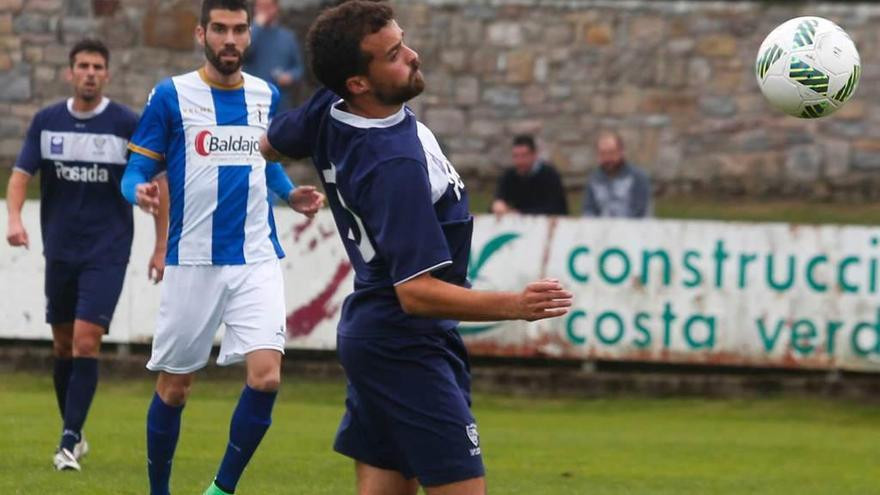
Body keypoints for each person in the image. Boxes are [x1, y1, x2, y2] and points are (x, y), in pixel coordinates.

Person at [261, 2, 573, 494]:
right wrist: (514, 305)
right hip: (405, 343)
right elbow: (417, 292)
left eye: (402, 41)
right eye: (393, 54)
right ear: (359, 84)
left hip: (376, 334)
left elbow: (272, 142)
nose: (413, 54)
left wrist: (282, 178)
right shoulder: (393, 168)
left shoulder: (329, 106)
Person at [119, 1, 324, 494]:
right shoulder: (171, 96)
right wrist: (138, 192)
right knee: (175, 388)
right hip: (192, 261)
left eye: (238, 30)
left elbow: (265, 158)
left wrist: (288, 193)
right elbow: (135, 171)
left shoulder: (266, 95)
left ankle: (220, 490)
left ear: (249, 36)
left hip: (256, 257)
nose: (229, 39)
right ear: (201, 34)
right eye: (220, 29)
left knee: (267, 377)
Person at [5, 38, 167, 472]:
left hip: (107, 251)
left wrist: (160, 246)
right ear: (70, 73)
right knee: (62, 346)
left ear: (107, 74)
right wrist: (15, 219)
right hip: (60, 249)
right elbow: (21, 175)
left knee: (85, 340)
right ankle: (74, 429)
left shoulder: (125, 123)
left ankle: (68, 440)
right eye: (83, 65)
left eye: (98, 65)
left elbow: (158, 183)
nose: (90, 72)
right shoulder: (46, 121)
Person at [243, 0, 305, 110]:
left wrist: (290, 76)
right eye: (259, 7)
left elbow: (299, 68)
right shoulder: (247, 34)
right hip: (253, 104)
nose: (263, 11)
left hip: (281, 104)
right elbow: (244, 53)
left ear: (276, 8)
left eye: (267, 7)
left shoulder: (288, 37)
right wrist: (257, 26)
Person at [491, 134, 568, 216]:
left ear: (534, 155)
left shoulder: (549, 175)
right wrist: (498, 204)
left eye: (524, 156)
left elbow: (556, 208)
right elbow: (499, 198)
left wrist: (520, 213)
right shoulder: (509, 175)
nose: (519, 161)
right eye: (516, 156)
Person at [581, 131, 652, 218]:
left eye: (611, 152)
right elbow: (588, 210)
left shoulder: (638, 177)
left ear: (621, 152)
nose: (607, 158)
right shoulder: (593, 179)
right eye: (603, 153)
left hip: (633, 229)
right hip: (601, 229)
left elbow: (640, 212)